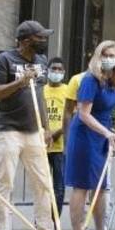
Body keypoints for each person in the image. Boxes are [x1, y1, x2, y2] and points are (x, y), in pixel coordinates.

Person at [0, 20, 56, 230]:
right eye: (40, 38)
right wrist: (19, 82)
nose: (44, 42)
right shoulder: (4, 60)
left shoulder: (41, 62)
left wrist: (46, 127)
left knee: (44, 185)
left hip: (34, 131)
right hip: (9, 131)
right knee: (5, 185)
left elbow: (41, 95)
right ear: (26, 40)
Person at [65, 40, 115, 230]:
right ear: (98, 56)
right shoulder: (90, 80)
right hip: (86, 135)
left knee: (101, 187)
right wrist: (107, 133)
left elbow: (111, 98)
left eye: (113, 55)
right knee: (82, 186)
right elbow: (83, 114)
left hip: (103, 137)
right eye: (105, 54)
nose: (109, 58)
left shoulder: (111, 81)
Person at [45, 58, 69, 217]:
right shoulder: (42, 90)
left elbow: (70, 117)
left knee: (59, 188)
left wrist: (55, 133)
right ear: (48, 70)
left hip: (61, 147)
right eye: (54, 68)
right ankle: (41, 225)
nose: (57, 72)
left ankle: (55, 224)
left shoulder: (68, 91)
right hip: (42, 145)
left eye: (60, 69)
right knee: (42, 187)